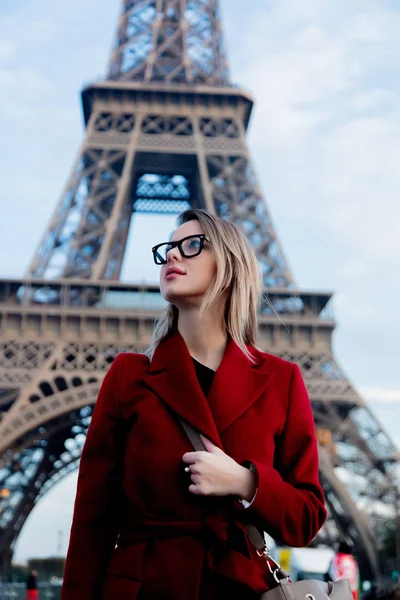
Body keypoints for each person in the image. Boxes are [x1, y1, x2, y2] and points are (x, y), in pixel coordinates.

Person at [61, 209, 327, 600]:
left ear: (230, 264)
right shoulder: (128, 376)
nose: (172, 255)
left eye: (191, 245)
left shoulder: (282, 381)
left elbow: (306, 517)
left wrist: (245, 482)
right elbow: (92, 522)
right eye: (168, 247)